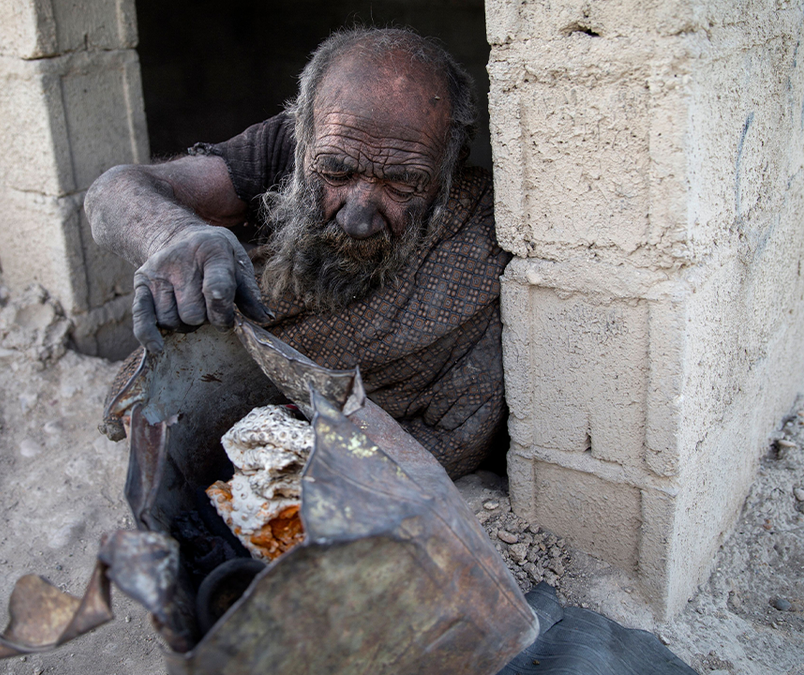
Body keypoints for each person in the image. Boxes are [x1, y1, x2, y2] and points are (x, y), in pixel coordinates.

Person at [86, 27, 510, 478]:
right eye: (335, 171)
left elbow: (460, 425)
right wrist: (173, 234)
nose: (358, 219)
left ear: (450, 162)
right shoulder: (280, 148)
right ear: (302, 132)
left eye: (403, 183)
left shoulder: (478, 220)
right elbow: (111, 193)